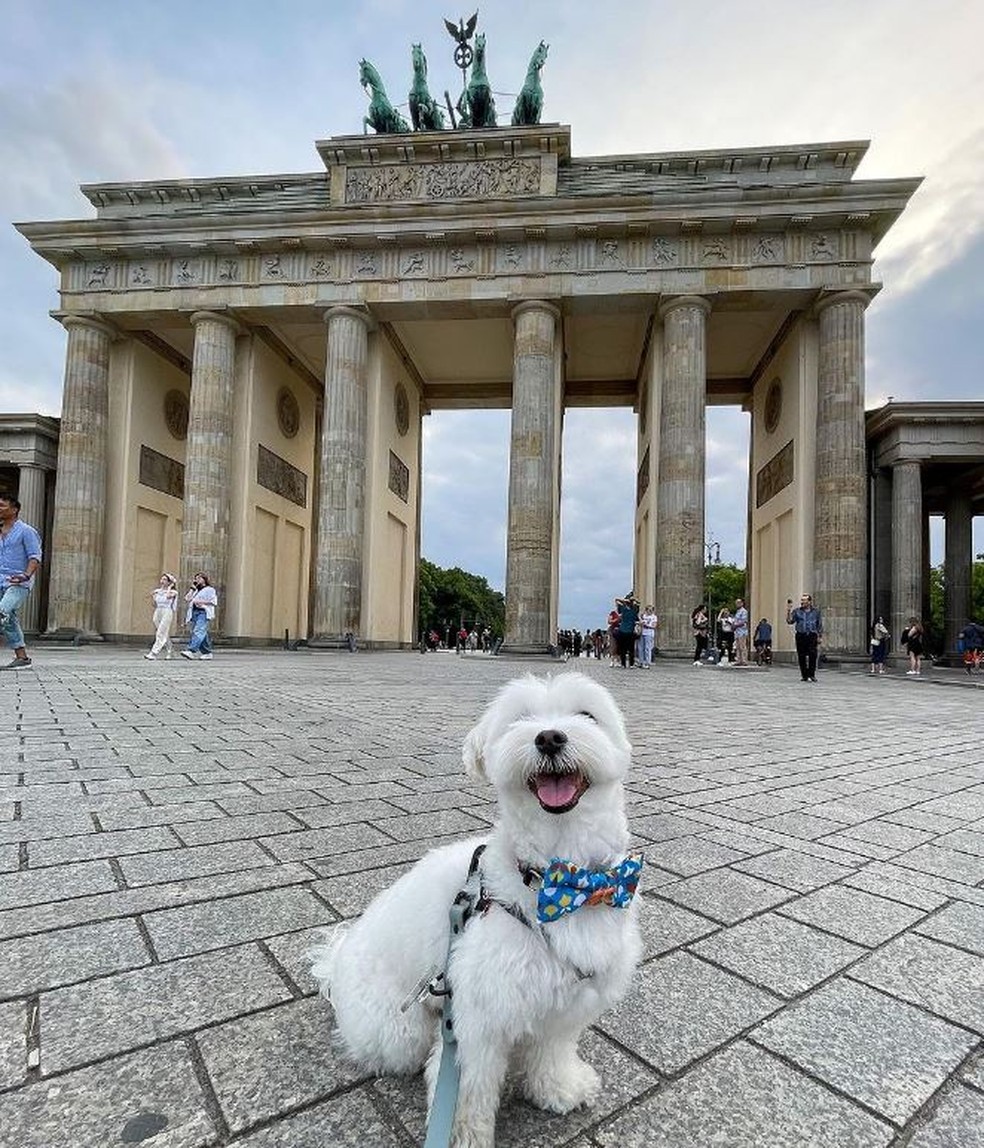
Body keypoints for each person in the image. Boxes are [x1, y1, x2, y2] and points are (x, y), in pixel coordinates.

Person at [0, 495, 43, 671]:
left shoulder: (27, 531)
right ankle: (22, 657)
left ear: (14, 509)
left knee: (2, 611)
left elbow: (35, 556)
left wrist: (26, 575)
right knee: (9, 619)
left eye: (2, 505)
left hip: (18, 582)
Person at [786, 593, 823, 682]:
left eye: (804, 600)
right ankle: (804, 675)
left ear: (809, 602)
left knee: (813, 655)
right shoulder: (797, 611)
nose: (802, 602)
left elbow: (819, 624)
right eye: (802, 600)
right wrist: (788, 611)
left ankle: (812, 674)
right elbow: (790, 621)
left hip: (812, 635)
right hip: (801, 635)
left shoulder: (816, 612)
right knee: (801, 655)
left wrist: (820, 636)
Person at [182, 572, 218, 660]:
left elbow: (214, 602)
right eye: (196, 578)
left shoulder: (210, 589)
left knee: (198, 630)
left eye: (199, 578)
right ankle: (207, 652)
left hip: (203, 611)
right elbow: (187, 598)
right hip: (194, 612)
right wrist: (192, 588)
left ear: (204, 579)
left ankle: (191, 650)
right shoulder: (196, 590)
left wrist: (201, 602)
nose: (197, 580)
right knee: (202, 632)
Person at [145, 573, 178, 659]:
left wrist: (170, 587)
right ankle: (170, 650)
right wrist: (153, 596)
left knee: (160, 632)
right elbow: (154, 604)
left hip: (167, 611)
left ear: (169, 582)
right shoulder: (157, 591)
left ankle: (153, 653)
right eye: (162, 579)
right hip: (158, 611)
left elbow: (167, 597)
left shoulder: (173, 592)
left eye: (165, 580)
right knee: (163, 632)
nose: (162, 581)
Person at [614, 592, 640, 668]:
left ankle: (623, 664)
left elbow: (616, 600)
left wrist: (624, 600)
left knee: (623, 649)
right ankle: (631, 664)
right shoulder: (634, 611)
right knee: (631, 649)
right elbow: (638, 603)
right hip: (630, 632)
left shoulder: (623, 610)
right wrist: (634, 599)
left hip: (622, 631)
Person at [732, 598, 750, 666]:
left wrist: (735, 625)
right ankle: (739, 660)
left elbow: (743, 622)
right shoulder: (738, 611)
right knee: (737, 646)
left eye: (738, 603)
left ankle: (744, 660)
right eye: (736, 603)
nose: (737, 604)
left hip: (742, 631)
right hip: (737, 632)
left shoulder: (744, 611)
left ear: (742, 603)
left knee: (742, 646)